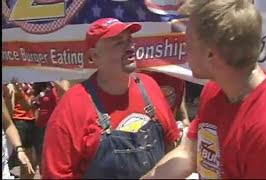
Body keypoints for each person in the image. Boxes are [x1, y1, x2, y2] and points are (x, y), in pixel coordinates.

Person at [141, 0, 266, 179]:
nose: (184, 49)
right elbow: (189, 154)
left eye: (188, 42)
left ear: (210, 54)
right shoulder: (215, 89)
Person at [41, 18, 180, 179]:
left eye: (129, 40)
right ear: (94, 56)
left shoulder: (150, 87)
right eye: (118, 43)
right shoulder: (72, 107)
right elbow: (56, 175)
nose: (129, 47)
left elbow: (171, 144)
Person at [3, 82, 38, 179]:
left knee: (30, 161)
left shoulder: (25, 83)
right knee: (28, 163)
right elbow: (10, 113)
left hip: (29, 122)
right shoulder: (11, 85)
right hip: (19, 122)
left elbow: (27, 106)